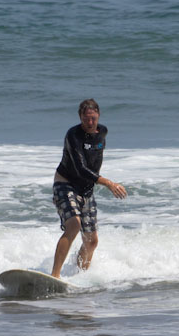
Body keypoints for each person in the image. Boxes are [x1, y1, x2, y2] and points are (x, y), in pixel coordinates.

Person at [51, 99, 127, 278]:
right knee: (74, 225)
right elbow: (81, 168)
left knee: (91, 241)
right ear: (80, 118)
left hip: (86, 190)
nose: (90, 123)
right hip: (66, 184)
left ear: (98, 116)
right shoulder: (73, 135)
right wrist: (108, 183)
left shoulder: (103, 132)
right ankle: (55, 275)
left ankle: (79, 276)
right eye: (86, 119)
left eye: (93, 119)